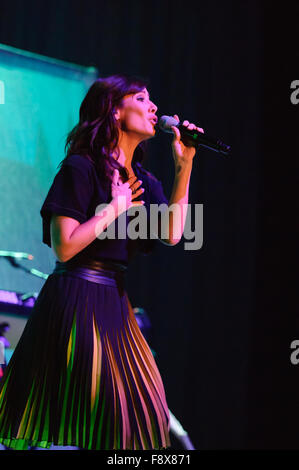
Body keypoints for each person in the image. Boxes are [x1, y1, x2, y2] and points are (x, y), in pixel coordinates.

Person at [0, 74, 202, 450]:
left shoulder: (143, 179)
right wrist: (113, 209)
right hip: (76, 296)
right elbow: (64, 247)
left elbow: (173, 233)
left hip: (115, 300)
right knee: (102, 411)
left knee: (145, 413)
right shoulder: (81, 168)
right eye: (141, 98)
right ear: (112, 111)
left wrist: (184, 165)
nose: (154, 107)